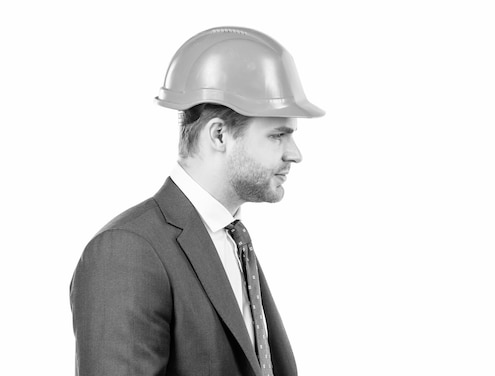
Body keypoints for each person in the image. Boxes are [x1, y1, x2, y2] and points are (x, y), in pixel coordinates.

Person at [69, 26, 324, 376]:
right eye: (278, 135)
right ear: (219, 135)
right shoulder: (128, 251)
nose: (294, 154)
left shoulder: (232, 240)